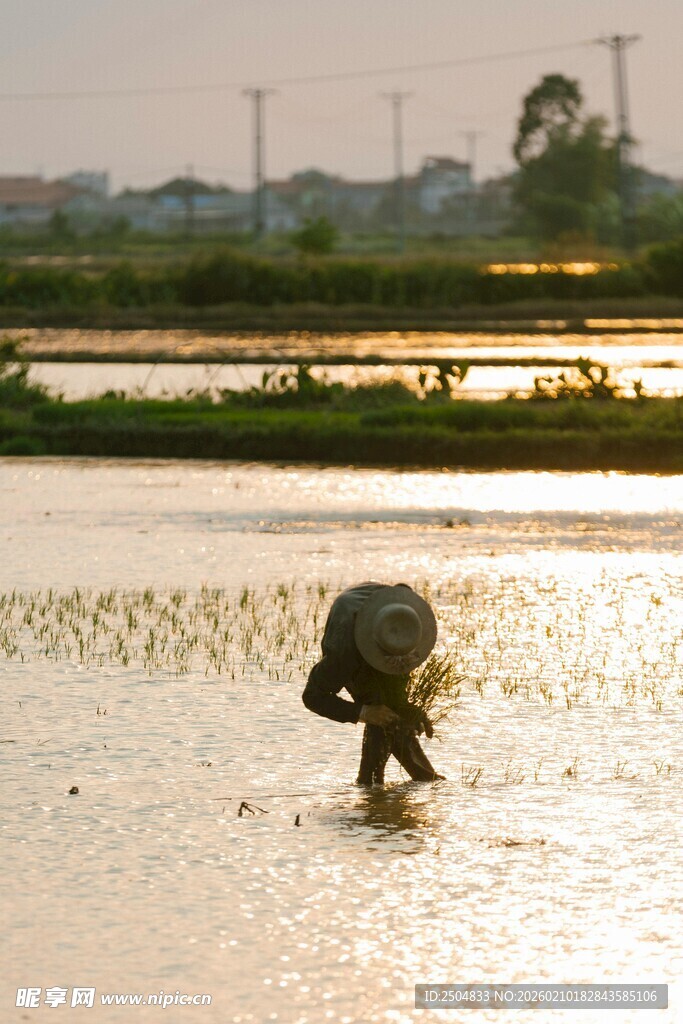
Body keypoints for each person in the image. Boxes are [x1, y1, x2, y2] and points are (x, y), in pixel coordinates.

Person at [302, 581, 445, 785]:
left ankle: (383, 784)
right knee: (375, 705)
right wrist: (363, 712)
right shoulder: (344, 655)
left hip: (381, 615)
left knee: (387, 709)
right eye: (391, 660)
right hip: (348, 620)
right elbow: (313, 697)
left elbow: (393, 702)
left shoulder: (405, 629)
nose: (399, 666)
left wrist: (410, 711)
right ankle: (373, 780)